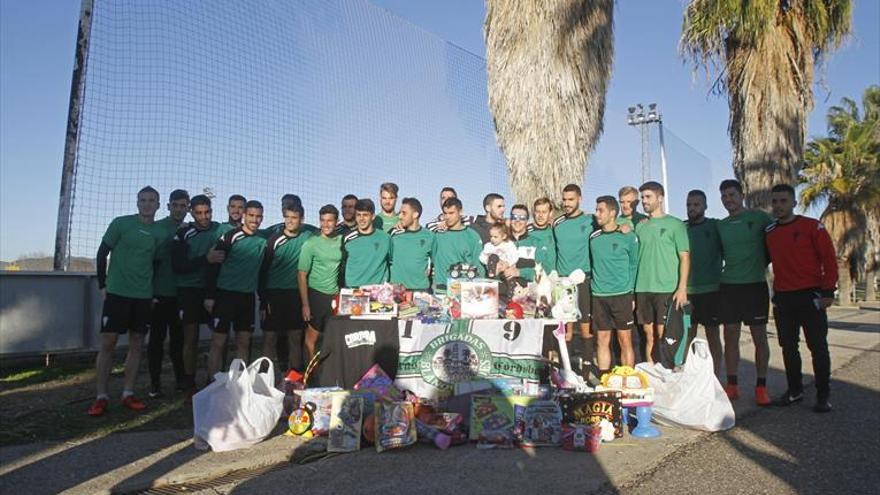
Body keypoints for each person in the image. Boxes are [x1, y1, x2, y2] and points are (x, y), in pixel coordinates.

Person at [88, 186, 161, 416]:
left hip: (142, 296)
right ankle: (101, 396)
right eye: (143, 200)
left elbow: (157, 264)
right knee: (108, 343)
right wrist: (103, 284)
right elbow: (102, 253)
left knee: (137, 343)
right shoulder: (120, 223)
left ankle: (128, 393)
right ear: (137, 202)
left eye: (151, 200)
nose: (147, 204)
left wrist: (153, 292)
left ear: (158, 205)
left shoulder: (158, 232)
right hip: (117, 293)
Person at [765, 184, 837, 413]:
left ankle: (823, 395)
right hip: (784, 298)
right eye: (775, 201)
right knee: (788, 347)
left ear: (793, 203)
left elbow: (829, 260)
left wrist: (827, 292)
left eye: (783, 201)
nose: (778, 206)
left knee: (817, 347)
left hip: (811, 295)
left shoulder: (812, 227)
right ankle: (795, 391)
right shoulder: (770, 233)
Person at [717, 179, 773, 405]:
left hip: (755, 286)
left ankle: (761, 386)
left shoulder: (759, 218)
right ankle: (732, 385)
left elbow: (774, 245)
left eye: (732, 194)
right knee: (730, 335)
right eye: (724, 196)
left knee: (759, 336)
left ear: (741, 195)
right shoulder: (720, 225)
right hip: (729, 286)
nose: (728, 199)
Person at [204, 200, 267, 380]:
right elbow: (213, 265)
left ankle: (240, 385)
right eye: (252, 216)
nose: (255, 220)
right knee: (218, 342)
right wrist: (209, 296)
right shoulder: (230, 237)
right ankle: (212, 385)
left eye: (259, 216)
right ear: (244, 216)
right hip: (225, 296)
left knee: (244, 342)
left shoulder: (263, 240)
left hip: (247, 297)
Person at [633, 181, 690, 364]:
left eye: (648, 197)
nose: (644, 201)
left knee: (664, 336)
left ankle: (670, 374)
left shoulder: (676, 224)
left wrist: (682, 288)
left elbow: (685, 258)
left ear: (660, 198)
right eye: (642, 197)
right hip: (643, 288)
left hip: (666, 289)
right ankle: (652, 377)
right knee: (648, 336)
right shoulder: (640, 226)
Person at [171, 194, 223, 394]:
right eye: (199, 213)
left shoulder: (219, 230)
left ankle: (216, 380)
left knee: (219, 337)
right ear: (191, 213)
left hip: (213, 291)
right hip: (189, 291)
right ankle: (189, 383)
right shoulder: (183, 233)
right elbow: (178, 266)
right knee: (190, 339)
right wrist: (205, 259)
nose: (204, 216)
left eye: (207, 212)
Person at [259, 203, 313, 372]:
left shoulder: (308, 236)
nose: (289, 221)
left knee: (295, 337)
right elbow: (262, 272)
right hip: (274, 295)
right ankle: (264, 378)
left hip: (295, 295)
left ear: (301, 220)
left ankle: (295, 378)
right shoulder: (274, 241)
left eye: (294, 218)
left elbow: (328, 233)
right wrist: (262, 301)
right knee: (270, 337)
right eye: (287, 217)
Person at [148, 188, 189, 398]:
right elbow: (149, 262)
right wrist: (150, 292)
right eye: (175, 205)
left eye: (183, 206)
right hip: (159, 294)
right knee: (156, 340)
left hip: (180, 295)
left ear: (188, 208)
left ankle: (180, 379)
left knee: (178, 341)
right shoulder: (158, 228)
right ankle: (154, 383)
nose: (179, 209)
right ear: (168, 206)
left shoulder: (189, 229)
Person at [589, 196, 639, 372]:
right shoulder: (593, 237)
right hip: (598, 295)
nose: (596, 214)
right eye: (596, 210)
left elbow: (634, 265)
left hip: (622, 295)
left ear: (612, 213)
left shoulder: (628, 236)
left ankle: (628, 377)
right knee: (602, 339)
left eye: (600, 210)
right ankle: (604, 378)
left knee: (624, 339)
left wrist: (631, 293)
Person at [553, 184, 596, 378]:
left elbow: (614, 221)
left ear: (579, 198)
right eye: (564, 199)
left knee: (586, 329)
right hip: (563, 283)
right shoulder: (557, 223)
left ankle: (586, 374)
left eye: (571, 199)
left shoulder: (591, 220)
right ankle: (565, 372)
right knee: (566, 330)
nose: (567, 203)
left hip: (583, 281)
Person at [685, 189, 724, 377]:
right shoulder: (681, 228)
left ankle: (715, 377)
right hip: (687, 292)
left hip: (711, 291)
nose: (692, 208)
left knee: (713, 336)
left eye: (696, 204)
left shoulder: (716, 226)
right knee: (687, 336)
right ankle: (687, 376)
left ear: (705, 206)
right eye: (689, 205)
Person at [298, 205, 343, 360]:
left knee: (333, 339)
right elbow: (301, 275)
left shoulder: (341, 240)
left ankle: (329, 376)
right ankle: (311, 378)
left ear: (337, 221)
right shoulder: (311, 243)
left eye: (330, 220)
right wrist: (305, 304)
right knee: (311, 339)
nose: (326, 224)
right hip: (316, 295)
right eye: (323, 220)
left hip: (335, 297)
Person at [431, 197, 484, 292]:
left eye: (451, 213)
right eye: (445, 213)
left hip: (464, 290)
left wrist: (478, 289)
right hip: (441, 289)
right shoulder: (437, 235)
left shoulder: (472, 236)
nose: (447, 217)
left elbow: (478, 265)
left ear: (461, 212)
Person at [342, 198, 391, 287]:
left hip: (377, 292)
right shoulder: (347, 238)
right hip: (353, 291)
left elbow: (391, 262)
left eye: (365, 215)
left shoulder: (386, 238)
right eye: (358, 215)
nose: (361, 219)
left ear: (372, 217)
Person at [389, 197, 435, 291]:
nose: (400, 216)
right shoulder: (394, 234)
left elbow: (436, 262)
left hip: (421, 291)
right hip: (397, 291)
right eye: (400, 213)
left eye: (404, 213)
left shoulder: (429, 236)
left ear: (415, 214)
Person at [526, 197, 557, 274]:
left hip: (551, 281)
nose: (540, 215)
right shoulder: (525, 232)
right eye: (538, 212)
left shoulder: (555, 232)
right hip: (531, 281)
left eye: (544, 212)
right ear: (534, 213)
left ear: (550, 213)